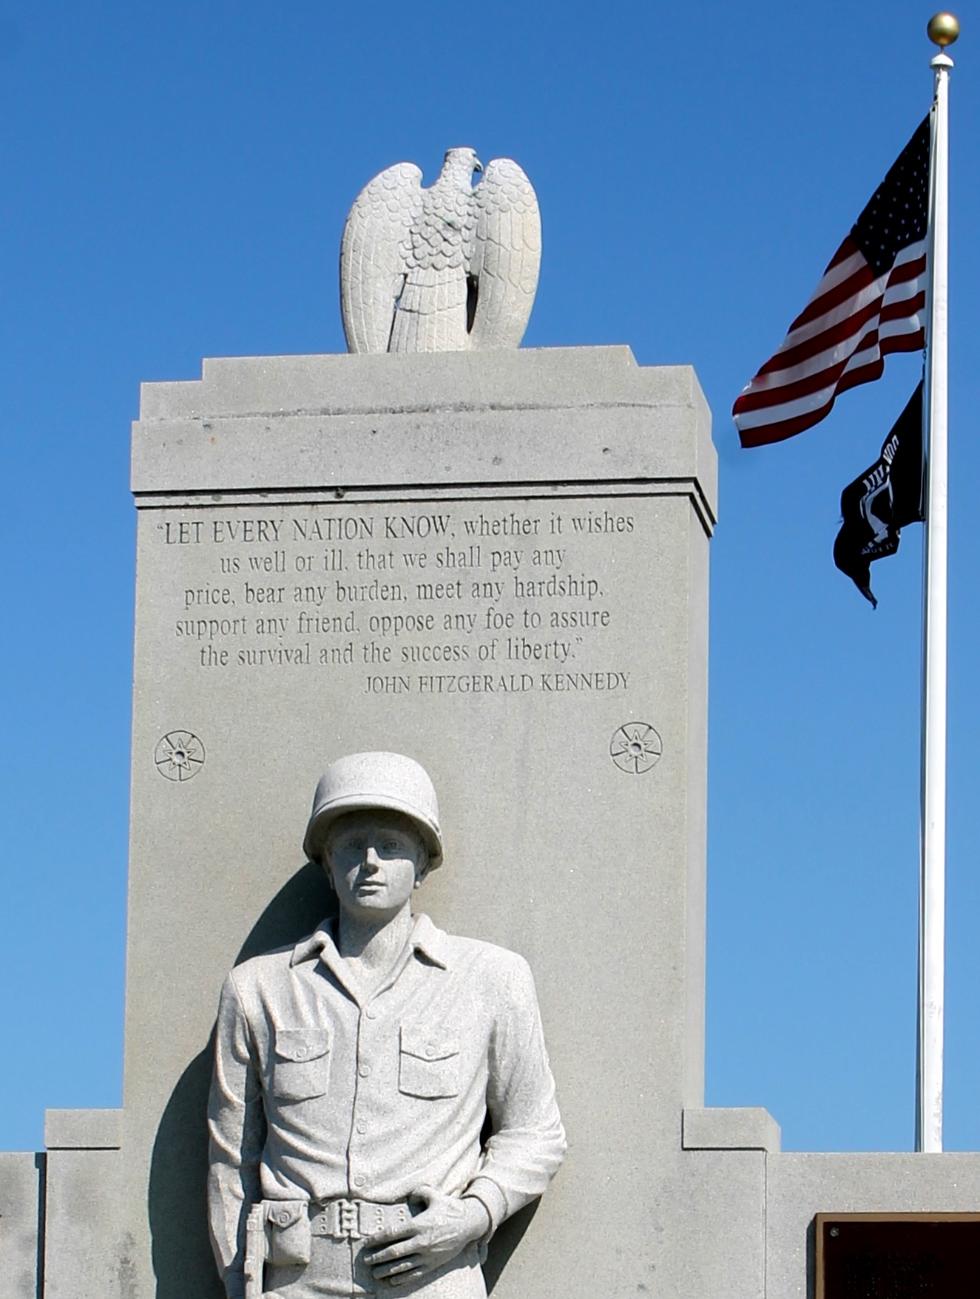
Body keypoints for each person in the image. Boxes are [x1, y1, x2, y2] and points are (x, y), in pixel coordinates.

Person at [208, 751, 565, 1299]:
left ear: (423, 863)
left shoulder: (492, 979)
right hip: (294, 1279)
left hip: (432, 1277)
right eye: (352, 845)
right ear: (327, 863)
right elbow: (231, 1159)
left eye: (392, 846)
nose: (370, 861)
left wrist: (474, 1215)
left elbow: (535, 1133)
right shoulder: (258, 988)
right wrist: (239, 1284)